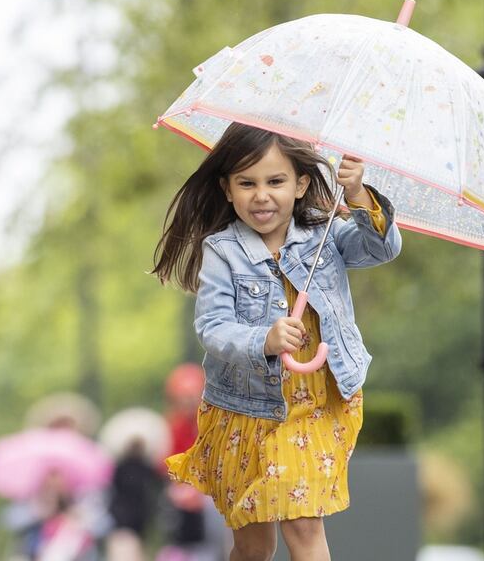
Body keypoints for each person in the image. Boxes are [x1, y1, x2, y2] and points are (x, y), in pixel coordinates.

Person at [151, 123, 401, 561]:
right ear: (227, 190)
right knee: (253, 544)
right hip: (247, 410)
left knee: (304, 523)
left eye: (275, 181)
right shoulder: (222, 250)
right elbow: (212, 326)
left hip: (317, 405)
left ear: (301, 184)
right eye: (246, 183)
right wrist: (263, 339)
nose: (261, 195)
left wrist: (359, 196)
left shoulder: (326, 234)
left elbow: (379, 249)